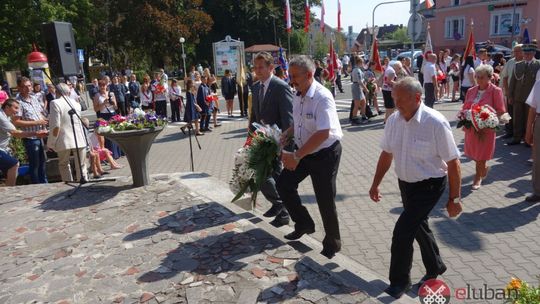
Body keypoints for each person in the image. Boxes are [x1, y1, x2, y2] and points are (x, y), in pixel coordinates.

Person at [369, 77, 463, 299]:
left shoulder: (435, 122)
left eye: (400, 99)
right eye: (394, 98)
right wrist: (375, 183)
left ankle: (399, 282)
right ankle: (436, 266)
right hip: (406, 184)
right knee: (418, 226)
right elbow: (386, 153)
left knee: (402, 231)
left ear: (417, 98)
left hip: (430, 185)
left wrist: (455, 199)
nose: (396, 103)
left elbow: (453, 161)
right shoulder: (394, 120)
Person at [276, 55, 343, 259]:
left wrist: (296, 156)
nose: (291, 80)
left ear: (310, 75)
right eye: (290, 76)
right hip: (304, 150)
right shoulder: (298, 94)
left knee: (324, 198)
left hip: (325, 153)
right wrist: (286, 134)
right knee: (284, 185)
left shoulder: (322, 97)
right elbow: (299, 123)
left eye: (295, 76)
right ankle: (304, 223)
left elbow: (323, 133)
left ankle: (332, 242)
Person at [249, 51, 293, 227]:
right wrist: (251, 135)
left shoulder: (280, 86)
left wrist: (286, 144)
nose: (257, 70)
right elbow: (255, 114)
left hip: (277, 140)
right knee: (270, 176)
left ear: (271, 67)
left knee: (261, 174)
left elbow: (288, 117)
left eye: (261, 67)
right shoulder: (257, 86)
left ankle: (281, 206)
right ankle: (280, 208)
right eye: (256, 67)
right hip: (261, 139)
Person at [462, 65, 506, 190]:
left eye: (482, 77)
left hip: (486, 129)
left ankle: (477, 177)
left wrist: (485, 117)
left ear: (490, 77)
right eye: (477, 77)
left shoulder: (496, 91)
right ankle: (483, 169)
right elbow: (465, 107)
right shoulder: (471, 90)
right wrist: (465, 114)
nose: (478, 80)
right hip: (471, 128)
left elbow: (500, 110)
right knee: (475, 154)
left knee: (481, 154)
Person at [0, 99, 48, 186]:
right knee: (13, 165)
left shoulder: (6, 116)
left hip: (3, 149)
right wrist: (36, 133)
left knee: (10, 168)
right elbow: (16, 133)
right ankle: (9, 192)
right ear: (7, 107)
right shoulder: (1, 117)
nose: (17, 111)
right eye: (15, 108)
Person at [47, 83, 88, 183]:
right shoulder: (76, 103)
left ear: (56, 92)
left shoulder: (54, 103)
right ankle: (83, 184)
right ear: (69, 92)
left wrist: (51, 143)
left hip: (63, 138)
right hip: (79, 137)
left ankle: (68, 185)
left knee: (64, 164)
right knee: (81, 164)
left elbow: (55, 126)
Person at [12, 77, 49, 184]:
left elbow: (39, 113)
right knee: (35, 164)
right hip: (31, 137)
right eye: (24, 87)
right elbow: (16, 122)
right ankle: (37, 186)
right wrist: (37, 122)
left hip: (42, 135)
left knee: (43, 163)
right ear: (19, 88)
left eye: (29, 86)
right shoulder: (18, 102)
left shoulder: (33, 98)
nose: (27, 89)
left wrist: (43, 120)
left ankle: (44, 184)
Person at [508, 44, 540, 146]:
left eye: (529, 54)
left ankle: (528, 139)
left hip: (531, 98)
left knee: (529, 119)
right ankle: (517, 138)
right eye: (525, 53)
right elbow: (512, 81)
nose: (526, 55)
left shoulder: (538, 65)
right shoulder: (518, 65)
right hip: (518, 96)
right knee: (517, 118)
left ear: (533, 53)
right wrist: (510, 95)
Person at [500, 44, 524, 139]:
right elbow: (504, 77)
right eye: (515, 51)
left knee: (520, 114)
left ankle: (520, 133)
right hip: (510, 92)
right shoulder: (510, 62)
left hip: (522, 93)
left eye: (518, 50)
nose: (516, 53)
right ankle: (509, 131)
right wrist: (506, 91)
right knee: (509, 113)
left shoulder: (526, 62)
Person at [524, 69, 540, 202]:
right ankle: (538, 191)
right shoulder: (538, 84)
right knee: (538, 159)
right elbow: (532, 109)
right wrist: (528, 131)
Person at [350, 56, 369, 125]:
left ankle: (363, 116)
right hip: (356, 87)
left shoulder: (358, 69)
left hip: (358, 87)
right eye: (362, 62)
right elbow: (359, 81)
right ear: (359, 62)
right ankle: (354, 118)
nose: (363, 63)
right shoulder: (357, 70)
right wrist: (366, 89)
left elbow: (362, 79)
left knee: (363, 102)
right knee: (357, 104)